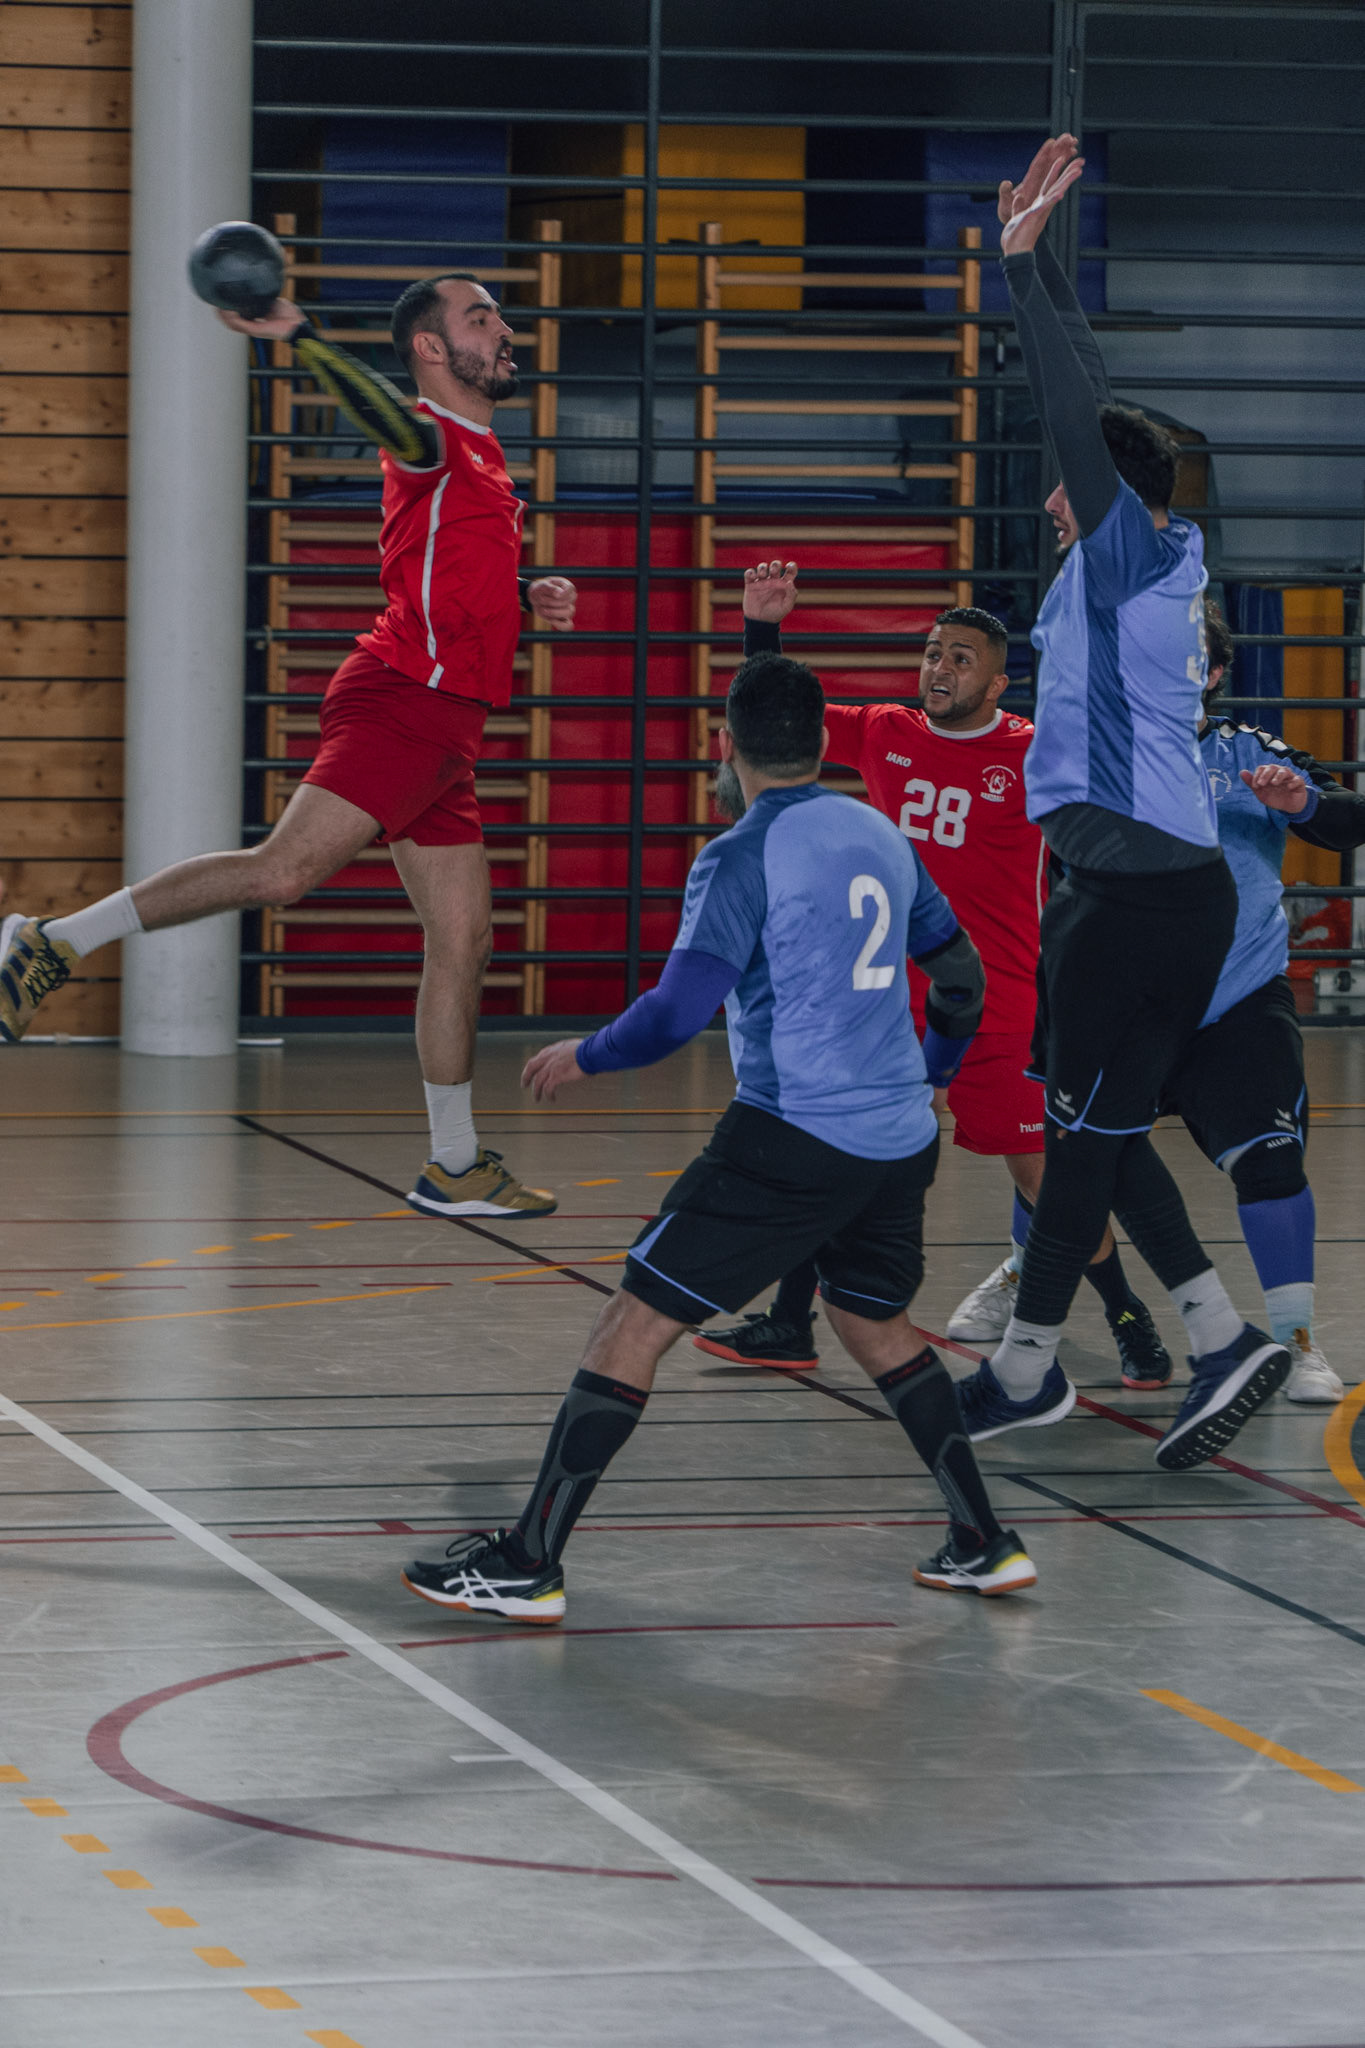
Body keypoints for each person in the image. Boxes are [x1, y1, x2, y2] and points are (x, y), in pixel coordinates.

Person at [401, 649, 1038, 1619]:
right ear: (822, 741)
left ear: (726, 743)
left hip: (791, 1137)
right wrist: (934, 1073)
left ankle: (527, 1561)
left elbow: (674, 1013)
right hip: (898, 1138)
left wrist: (586, 1055)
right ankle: (984, 1541)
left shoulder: (741, 855)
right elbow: (962, 980)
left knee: (632, 1323)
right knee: (874, 1326)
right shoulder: (882, 832)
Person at [0, 273, 573, 1221]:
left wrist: (522, 594)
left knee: (463, 941)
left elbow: (443, 572)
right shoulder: (429, 433)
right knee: (281, 873)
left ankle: (454, 1164)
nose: (504, 329)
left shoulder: (479, 452)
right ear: (431, 349)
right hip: (402, 703)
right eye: (481, 319)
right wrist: (300, 337)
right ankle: (51, 943)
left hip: (448, 726)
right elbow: (386, 417)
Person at [952, 134, 1289, 1473]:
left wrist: (1017, 274)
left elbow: (1066, 407)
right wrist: (1050, 273)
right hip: (1149, 888)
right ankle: (1216, 1335)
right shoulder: (1152, 556)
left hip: (1131, 895)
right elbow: (1090, 398)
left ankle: (1027, 1367)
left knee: (1077, 1134)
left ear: (1113, 492)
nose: (1055, 491)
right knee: (1098, 1128)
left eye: (1078, 478)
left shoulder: (1123, 554)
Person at [695, 567, 1172, 1390]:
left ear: (996, 681)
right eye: (930, 654)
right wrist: (760, 628)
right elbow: (772, 719)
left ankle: (1128, 1315)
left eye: (959, 658)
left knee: (1042, 1173)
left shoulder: (1035, 751)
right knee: (829, 1148)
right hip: (885, 994)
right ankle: (789, 1321)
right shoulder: (885, 731)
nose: (939, 669)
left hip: (998, 997)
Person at [1153, 599, 1365, 1400]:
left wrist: (1298, 804)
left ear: (1211, 673)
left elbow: (1349, 818)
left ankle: (1296, 1342)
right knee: (1065, 1160)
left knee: (1272, 1164)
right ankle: (1024, 1290)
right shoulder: (1102, 747)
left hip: (1236, 1004)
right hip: (1128, 1002)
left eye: (1187, 653)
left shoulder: (1248, 750)